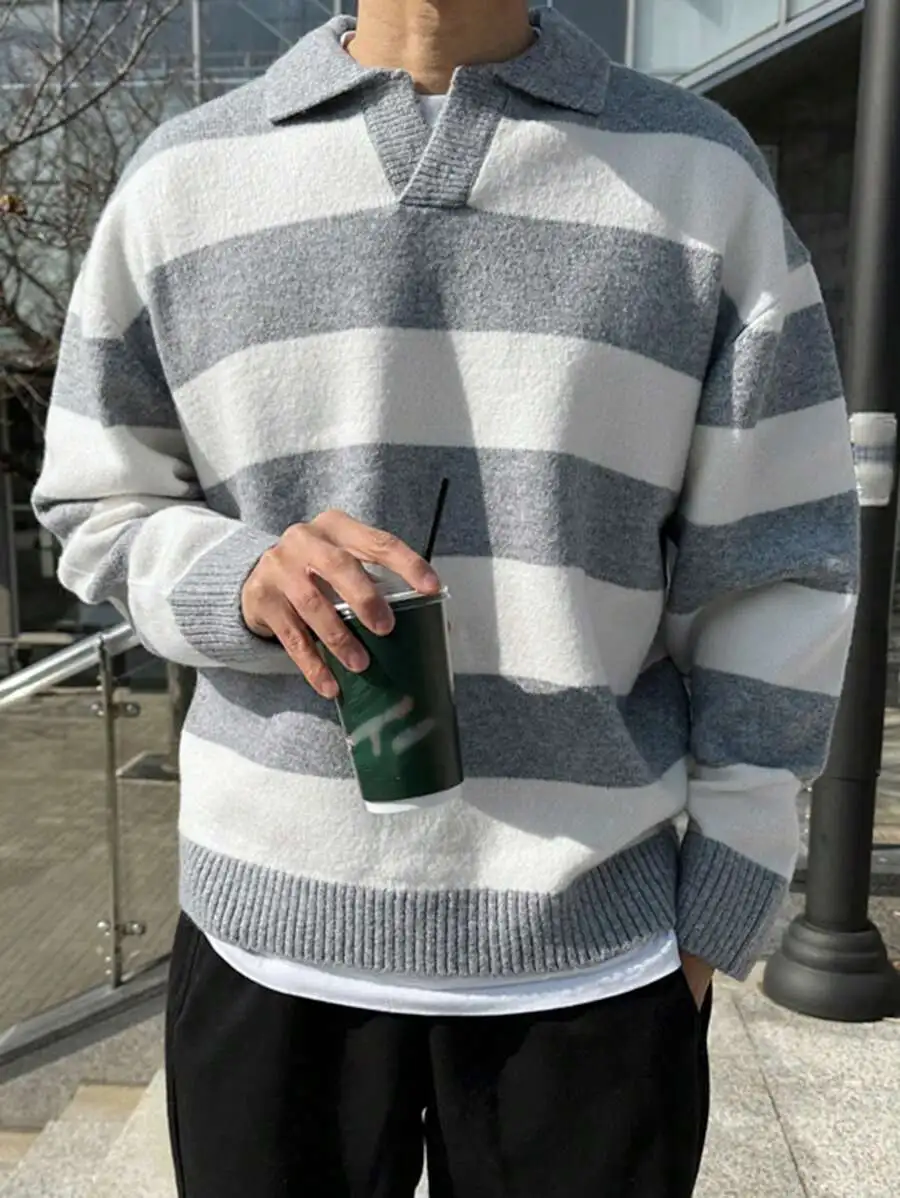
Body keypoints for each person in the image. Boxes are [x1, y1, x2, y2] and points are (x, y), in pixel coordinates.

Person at [33, 2, 859, 1195]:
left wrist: (723, 897)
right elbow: (96, 500)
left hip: (589, 957)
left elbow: (776, 562)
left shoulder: (701, 177)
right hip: (267, 941)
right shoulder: (183, 180)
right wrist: (240, 579)